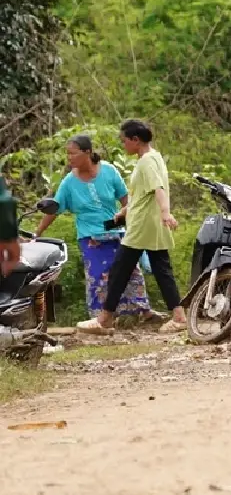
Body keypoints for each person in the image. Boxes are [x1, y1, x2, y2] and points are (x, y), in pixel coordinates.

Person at [77, 120, 187, 334]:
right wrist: (124, 212)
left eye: (124, 140)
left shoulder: (147, 161)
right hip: (147, 224)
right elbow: (141, 195)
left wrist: (166, 212)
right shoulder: (153, 158)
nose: (123, 144)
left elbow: (158, 189)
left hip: (143, 227)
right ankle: (179, 316)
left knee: (120, 269)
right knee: (160, 269)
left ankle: (104, 318)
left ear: (135, 140)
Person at [35, 135, 158, 323]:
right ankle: (99, 319)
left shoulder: (109, 171)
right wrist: (38, 233)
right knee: (97, 278)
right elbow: (55, 209)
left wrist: (133, 219)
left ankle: (144, 311)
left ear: (87, 152)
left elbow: (127, 200)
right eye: (67, 154)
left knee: (131, 271)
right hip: (90, 237)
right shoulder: (69, 182)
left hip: (116, 231)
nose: (69, 158)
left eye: (72, 153)